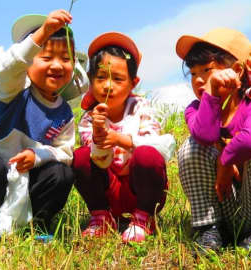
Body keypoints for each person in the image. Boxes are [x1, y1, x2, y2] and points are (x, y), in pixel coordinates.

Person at [0, 10, 88, 237]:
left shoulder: (65, 113)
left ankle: (39, 222)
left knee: (62, 173)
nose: (57, 66)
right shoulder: (12, 92)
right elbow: (10, 67)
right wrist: (44, 32)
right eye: (46, 58)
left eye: (65, 59)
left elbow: (65, 152)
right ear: (28, 63)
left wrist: (38, 156)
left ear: (74, 63)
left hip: (26, 186)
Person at [175, 28, 251, 255]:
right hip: (222, 207)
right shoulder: (195, 109)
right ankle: (209, 230)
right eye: (193, 73)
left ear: (237, 71)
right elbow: (204, 136)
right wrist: (210, 93)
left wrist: (225, 162)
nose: (199, 80)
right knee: (190, 148)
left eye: (207, 70)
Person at [73, 32, 176, 243]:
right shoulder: (89, 118)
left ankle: (143, 217)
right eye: (101, 78)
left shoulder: (142, 108)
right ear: (91, 81)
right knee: (82, 156)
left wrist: (120, 139)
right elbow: (98, 160)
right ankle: (102, 216)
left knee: (147, 155)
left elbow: (156, 149)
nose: (108, 86)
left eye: (118, 79)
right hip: (111, 188)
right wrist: (99, 135)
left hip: (140, 190)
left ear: (133, 83)